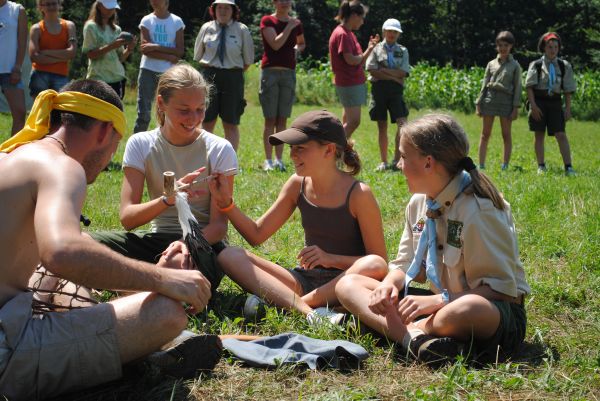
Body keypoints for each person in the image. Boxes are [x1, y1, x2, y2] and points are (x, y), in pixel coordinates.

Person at [0, 79, 220, 399]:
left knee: (81, 243)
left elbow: (69, 244)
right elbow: (62, 252)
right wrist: (163, 278)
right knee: (167, 314)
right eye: (116, 144)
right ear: (105, 132)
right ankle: (134, 360)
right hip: (7, 349)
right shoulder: (63, 167)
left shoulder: (14, 154)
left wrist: (151, 279)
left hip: (10, 307)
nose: (107, 163)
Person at [336, 114, 530, 367]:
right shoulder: (419, 201)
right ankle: (418, 341)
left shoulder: (480, 210)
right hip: (438, 307)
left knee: (465, 309)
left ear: (428, 162)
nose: (398, 165)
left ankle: (401, 331)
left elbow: (502, 289)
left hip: (490, 312)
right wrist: (389, 286)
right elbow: (406, 265)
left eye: (404, 157)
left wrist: (437, 301)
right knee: (348, 284)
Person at [209, 110, 388, 324]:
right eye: (292, 148)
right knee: (229, 256)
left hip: (349, 282)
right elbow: (256, 235)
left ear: (329, 150)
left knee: (372, 264)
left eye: (300, 149)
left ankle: (296, 304)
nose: (292, 155)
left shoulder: (359, 194)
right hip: (305, 280)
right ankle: (312, 313)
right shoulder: (297, 184)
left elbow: (379, 263)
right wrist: (226, 204)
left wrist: (331, 259)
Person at [91, 63, 238, 294]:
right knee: (83, 245)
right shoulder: (141, 144)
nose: (194, 118)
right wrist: (168, 199)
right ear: (161, 103)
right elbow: (128, 218)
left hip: (201, 245)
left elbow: (218, 227)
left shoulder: (220, 149)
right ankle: (147, 287)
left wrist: (185, 243)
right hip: (155, 239)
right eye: (184, 110)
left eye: (200, 109)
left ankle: (135, 289)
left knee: (173, 263)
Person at [194, 0, 253, 151]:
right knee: (207, 120)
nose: (223, 11)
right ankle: (203, 158)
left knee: (231, 122)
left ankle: (230, 162)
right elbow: (198, 56)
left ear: (233, 10)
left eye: (227, 8)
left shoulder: (242, 29)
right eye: (219, 7)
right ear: (213, 10)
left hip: (233, 78)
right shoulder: (206, 28)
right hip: (209, 76)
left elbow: (247, 60)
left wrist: (230, 70)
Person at [258, 0, 305, 171]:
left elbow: (301, 43)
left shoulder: (296, 23)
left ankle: (279, 159)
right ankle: (268, 160)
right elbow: (275, 44)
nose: (285, 3)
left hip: (288, 73)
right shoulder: (267, 21)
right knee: (270, 119)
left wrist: (297, 49)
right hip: (270, 73)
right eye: (281, 0)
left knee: (282, 119)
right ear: (274, 3)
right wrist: (289, 27)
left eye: (287, 0)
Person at [525, 32, 577, 176]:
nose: (552, 50)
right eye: (549, 47)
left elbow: (567, 90)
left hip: (555, 102)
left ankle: (569, 167)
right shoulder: (536, 65)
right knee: (539, 134)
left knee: (561, 134)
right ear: (544, 48)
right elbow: (529, 87)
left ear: (559, 48)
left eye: (555, 47)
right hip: (539, 102)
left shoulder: (563, 65)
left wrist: (567, 108)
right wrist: (533, 106)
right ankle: (541, 166)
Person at [328, 0, 379, 138]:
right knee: (354, 121)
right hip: (349, 82)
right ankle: (335, 148)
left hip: (350, 82)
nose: (362, 22)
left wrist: (369, 49)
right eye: (362, 18)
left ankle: (343, 154)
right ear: (355, 15)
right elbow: (351, 60)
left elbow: (358, 61)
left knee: (347, 120)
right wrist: (362, 56)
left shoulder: (347, 33)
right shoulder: (343, 34)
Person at [133, 0, 185, 133]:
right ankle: (137, 144)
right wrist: (169, 56)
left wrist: (155, 46)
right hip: (147, 71)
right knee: (143, 113)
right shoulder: (146, 20)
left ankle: (164, 144)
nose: (154, 1)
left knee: (166, 112)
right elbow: (145, 49)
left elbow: (179, 51)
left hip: (168, 74)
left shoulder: (177, 21)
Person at [366, 18, 410, 172]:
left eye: (395, 32)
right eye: (389, 31)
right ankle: (384, 161)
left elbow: (403, 72)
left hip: (396, 91)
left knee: (402, 124)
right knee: (382, 125)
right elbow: (371, 69)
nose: (392, 34)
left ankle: (398, 160)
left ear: (398, 34)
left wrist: (383, 70)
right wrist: (394, 76)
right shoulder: (376, 49)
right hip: (379, 90)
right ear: (384, 31)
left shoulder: (403, 51)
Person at [475, 31, 522, 171]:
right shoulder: (491, 64)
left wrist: (515, 107)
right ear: (496, 46)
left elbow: (518, 87)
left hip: (506, 102)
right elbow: (484, 84)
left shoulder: (515, 66)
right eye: (500, 45)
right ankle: (481, 165)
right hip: (490, 101)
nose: (502, 48)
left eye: (506, 45)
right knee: (485, 134)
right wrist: (479, 103)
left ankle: (505, 165)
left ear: (511, 46)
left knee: (506, 134)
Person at [82, 0, 137, 100]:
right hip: (98, 79)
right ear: (99, 6)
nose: (111, 10)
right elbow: (91, 55)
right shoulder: (91, 27)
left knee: (115, 114)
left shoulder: (116, 29)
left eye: (113, 7)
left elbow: (120, 58)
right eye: (108, 7)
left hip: (117, 78)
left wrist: (129, 49)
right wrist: (112, 46)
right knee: (97, 113)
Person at [28, 0, 77, 99]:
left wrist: (46, 52)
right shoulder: (36, 28)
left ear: (59, 4)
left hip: (61, 74)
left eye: (54, 3)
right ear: (41, 7)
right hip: (39, 75)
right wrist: (62, 57)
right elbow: (34, 57)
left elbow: (72, 53)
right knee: (40, 109)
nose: (51, 7)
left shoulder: (69, 26)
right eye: (48, 4)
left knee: (59, 110)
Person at [0, 0, 27, 136]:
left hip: (10, 71)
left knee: (20, 113)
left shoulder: (17, 10)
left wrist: (18, 66)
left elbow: (22, 41)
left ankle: (12, 153)